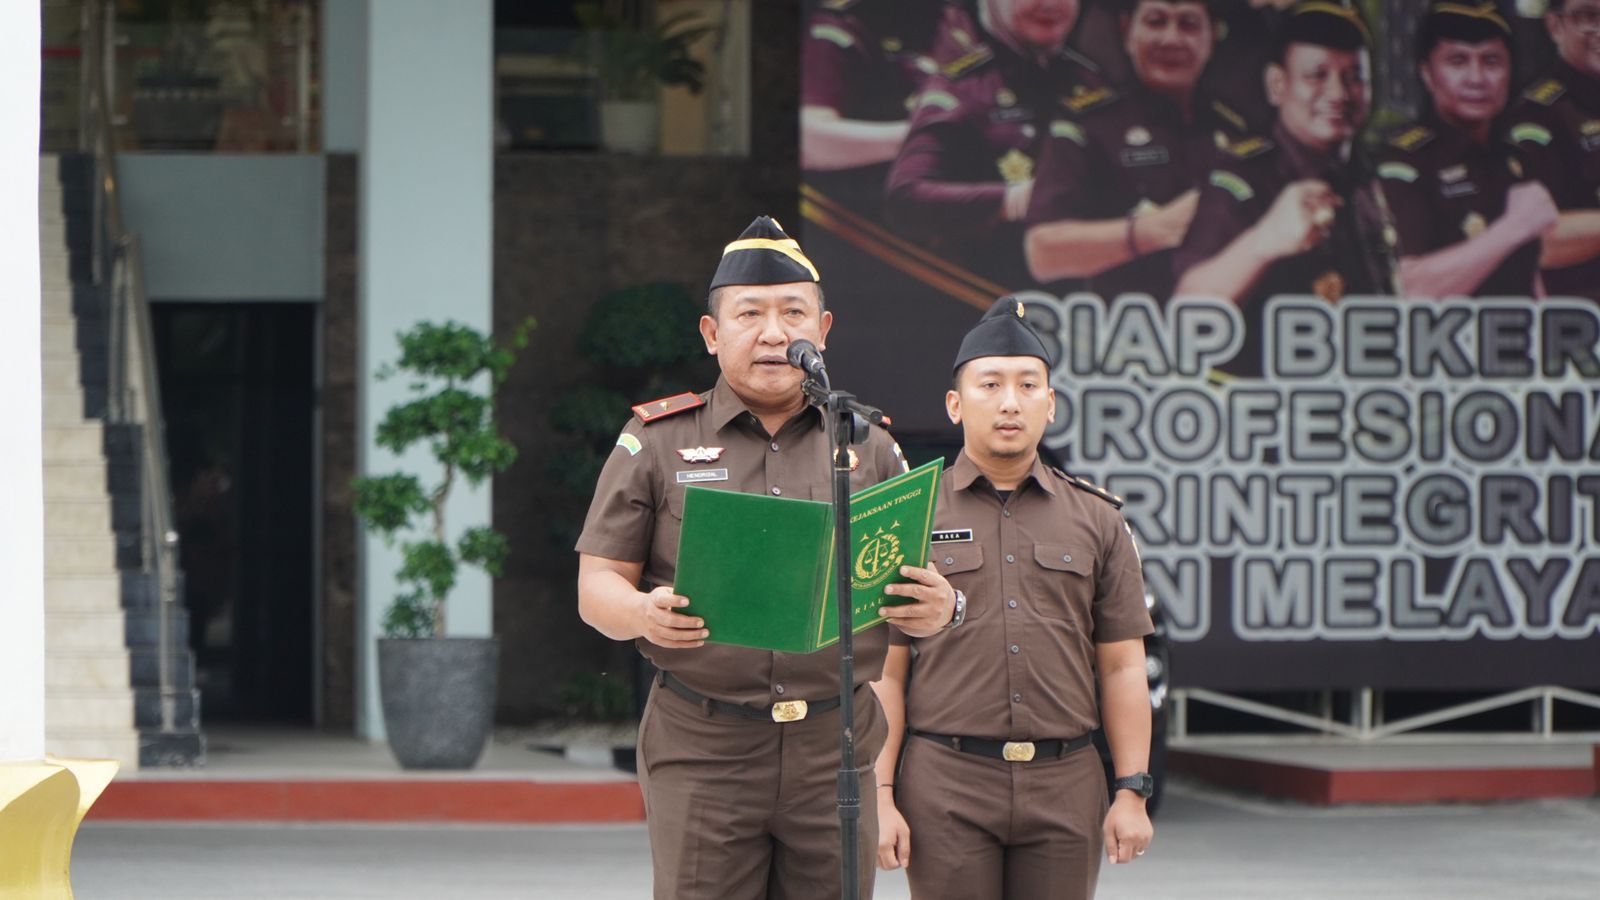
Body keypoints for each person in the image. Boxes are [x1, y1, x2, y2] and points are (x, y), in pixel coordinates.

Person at [574, 216, 958, 900]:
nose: (775, 333)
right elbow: (597, 583)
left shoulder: (867, 445)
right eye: (749, 314)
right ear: (712, 334)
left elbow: (915, 586)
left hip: (832, 745)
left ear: (825, 329)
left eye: (793, 314)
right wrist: (640, 612)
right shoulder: (657, 440)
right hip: (704, 743)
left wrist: (940, 609)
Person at [871, 297, 1155, 900]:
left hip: (1067, 780)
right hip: (945, 781)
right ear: (955, 404)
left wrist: (1131, 789)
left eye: (1029, 385)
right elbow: (886, 672)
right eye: (990, 384)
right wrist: (882, 794)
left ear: (1050, 405)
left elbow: (1124, 664)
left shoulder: (1098, 520)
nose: (1009, 402)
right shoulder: (910, 515)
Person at [1171, 0, 1394, 375]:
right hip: (1271, 409)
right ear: (1278, 85)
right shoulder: (1242, 178)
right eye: (1317, 75)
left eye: (1354, 76)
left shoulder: (1373, 172)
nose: (1339, 93)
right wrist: (1265, 240)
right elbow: (1186, 311)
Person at [1024, 0, 1251, 301]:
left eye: (1189, 24)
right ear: (1127, 30)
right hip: (1126, 333)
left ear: (1212, 38)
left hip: (1227, 331)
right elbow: (1042, 254)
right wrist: (1155, 230)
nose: (1171, 39)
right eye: (1156, 21)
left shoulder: (1238, 133)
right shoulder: (1089, 126)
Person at [885, 0, 1106, 294]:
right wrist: (1015, 199)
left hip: (1087, 305)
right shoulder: (965, 86)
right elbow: (905, 197)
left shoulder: (1092, 81)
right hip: (984, 299)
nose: (1051, 4)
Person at [1376, 1, 1557, 299]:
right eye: (1458, 61)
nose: (1476, 78)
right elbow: (1408, 290)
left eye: (1491, 61)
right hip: (1442, 341)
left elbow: (1528, 276)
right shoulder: (1404, 161)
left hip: (1514, 338)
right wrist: (1514, 227)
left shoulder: (1515, 158)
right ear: (1427, 73)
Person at [1505, 0, 1600, 300]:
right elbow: (1535, 241)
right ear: (1554, 25)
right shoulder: (1537, 116)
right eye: (1588, 16)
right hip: (1579, 318)